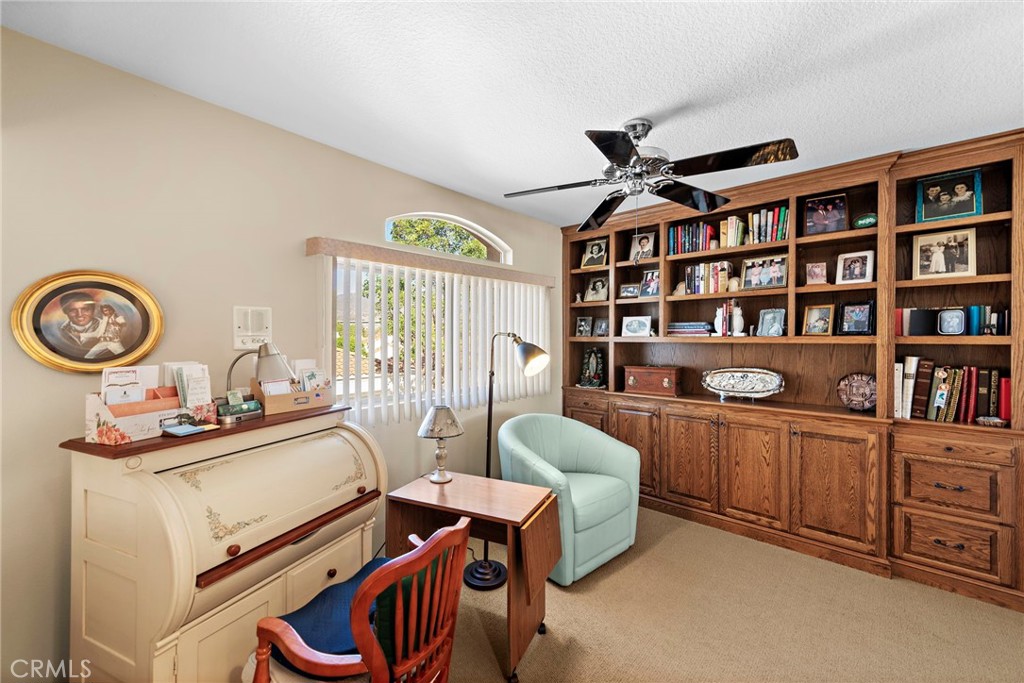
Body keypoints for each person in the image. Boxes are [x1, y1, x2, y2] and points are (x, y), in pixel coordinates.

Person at [55, 292, 103, 357]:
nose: (79, 315)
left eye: (85, 309)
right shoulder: (58, 333)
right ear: (65, 311)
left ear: (93, 310)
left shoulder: (107, 327)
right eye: (73, 310)